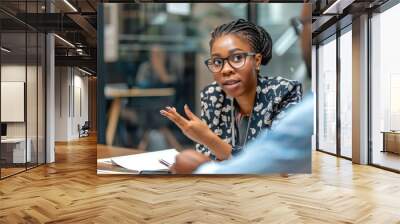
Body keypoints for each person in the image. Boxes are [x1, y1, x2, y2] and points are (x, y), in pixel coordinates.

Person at [172, 5, 313, 174]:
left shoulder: (283, 92)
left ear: (257, 61)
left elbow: (276, 166)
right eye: (217, 62)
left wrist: (208, 138)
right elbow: (208, 158)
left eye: (237, 58)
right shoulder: (213, 96)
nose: (226, 69)